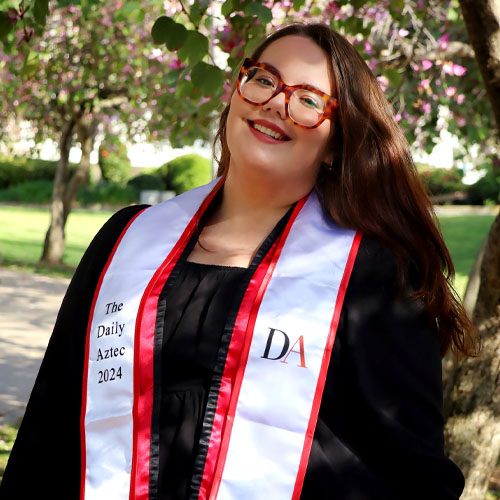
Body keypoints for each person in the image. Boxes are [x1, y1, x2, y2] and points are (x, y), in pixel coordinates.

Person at [1, 22, 478, 500]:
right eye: (264, 79)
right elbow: (53, 418)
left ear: (335, 146)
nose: (275, 102)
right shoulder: (124, 242)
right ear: (236, 94)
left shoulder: (369, 274)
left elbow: (411, 470)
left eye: (309, 100)